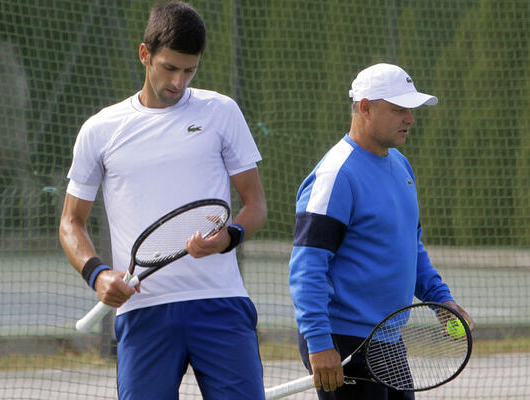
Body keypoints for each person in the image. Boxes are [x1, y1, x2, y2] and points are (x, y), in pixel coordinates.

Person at [58, 2, 267, 399]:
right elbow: (71, 222)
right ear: (145, 54)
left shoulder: (221, 112)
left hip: (220, 304)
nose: (179, 81)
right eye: (169, 68)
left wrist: (230, 237)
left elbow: (255, 204)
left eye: (189, 70)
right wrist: (98, 274)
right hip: (143, 313)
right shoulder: (99, 130)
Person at [288, 63, 475, 400]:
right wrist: (319, 344)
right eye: (398, 109)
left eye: (410, 110)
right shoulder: (336, 175)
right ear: (365, 108)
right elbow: (306, 267)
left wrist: (441, 300)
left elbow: (410, 249)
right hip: (342, 340)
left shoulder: (401, 166)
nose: (410, 119)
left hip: (388, 338)